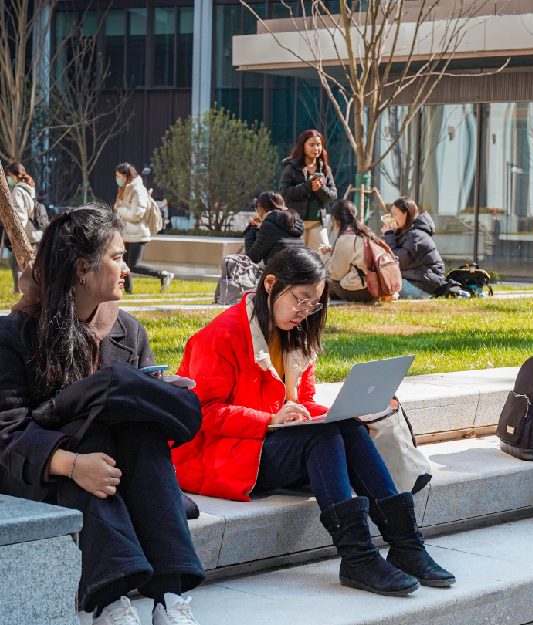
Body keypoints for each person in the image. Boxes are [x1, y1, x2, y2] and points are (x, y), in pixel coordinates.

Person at [173, 247, 453, 595]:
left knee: (346, 427)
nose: (305, 311)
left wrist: (344, 410)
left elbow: (303, 402)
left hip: (267, 443)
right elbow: (204, 412)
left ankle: (408, 547)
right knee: (322, 440)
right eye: (300, 299)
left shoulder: (295, 335)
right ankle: (358, 556)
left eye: (314, 304)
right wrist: (271, 418)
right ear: (271, 284)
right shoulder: (222, 334)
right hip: (216, 454)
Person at [0, 206, 206, 624]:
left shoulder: (128, 331)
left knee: (141, 433)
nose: (127, 268)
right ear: (82, 269)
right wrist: (73, 465)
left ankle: (170, 598)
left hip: (118, 467)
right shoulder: (15, 334)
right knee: (87, 436)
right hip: (40, 472)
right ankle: (110, 604)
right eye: (117, 257)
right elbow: (7, 433)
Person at [113, 163, 173, 294]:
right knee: (125, 263)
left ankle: (162, 274)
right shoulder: (128, 189)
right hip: (128, 233)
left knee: (133, 265)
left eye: (118, 176)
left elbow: (136, 214)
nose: (117, 179)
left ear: (125, 176)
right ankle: (128, 290)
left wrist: (120, 209)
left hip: (138, 234)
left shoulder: (137, 190)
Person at [278, 130, 338, 251]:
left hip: (318, 224)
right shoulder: (292, 167)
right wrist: (307, 186)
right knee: (296, 259)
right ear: (303, 146)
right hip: (295, 224)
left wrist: (320, 189)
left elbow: (333, 195)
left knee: (323, 257)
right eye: (312, 145)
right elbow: (284, 192)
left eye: (318, 145)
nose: (316, 148)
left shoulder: (324, 168)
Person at [382, 197, 445, 299]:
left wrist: (389, 235)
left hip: (421, 287)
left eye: (395, 214)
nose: (393, 218)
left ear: (405, 214)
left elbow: (398, 259)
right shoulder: (406, 232)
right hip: (414, 281)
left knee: (380, 287)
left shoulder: (416, 235)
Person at [322, 199, 380, 303]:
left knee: (326, 281)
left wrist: (326, 255)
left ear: (336, 221)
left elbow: (335, 274)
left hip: (360, 290)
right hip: (376, 287)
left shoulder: (345, 238)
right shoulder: (367, 233)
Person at [4, 162, 43, 292]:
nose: (7, 179)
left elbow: (20, 215)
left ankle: (20, 292)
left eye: (8, 176)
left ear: (14, 176)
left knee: (15, 261)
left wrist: (15, 234)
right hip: (36, 233)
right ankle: (33, 291)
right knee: (33, 265)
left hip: (27, 234)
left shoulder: (18, 191)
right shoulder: (29, 188)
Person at [242, 192, 306, 265]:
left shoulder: (268, 226)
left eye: (257, 208)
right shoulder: (295, 221)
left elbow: (252, 257)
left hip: (278, 272)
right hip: (298, 270)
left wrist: (251, 229)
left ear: (263, 208)